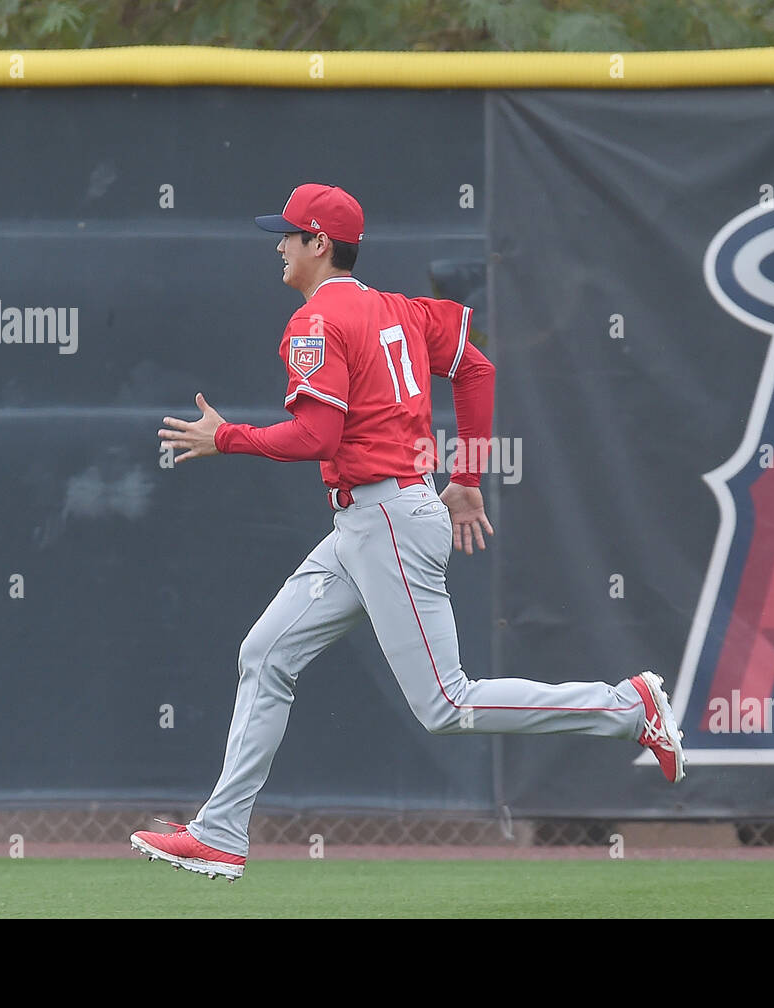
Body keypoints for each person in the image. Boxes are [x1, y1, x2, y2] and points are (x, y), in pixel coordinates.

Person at [130, 183, 684, 881]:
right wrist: (469, 475)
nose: (277, 245)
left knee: (446, 703)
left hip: (386, 519)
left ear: (318, 244)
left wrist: (228, 437)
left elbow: (316, 433)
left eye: (288, 234)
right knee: (265, 654)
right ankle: (220, 833)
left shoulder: (315, 323)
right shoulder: (399, 309)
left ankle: (626, 707)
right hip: (373, 518)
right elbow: (476, 365)